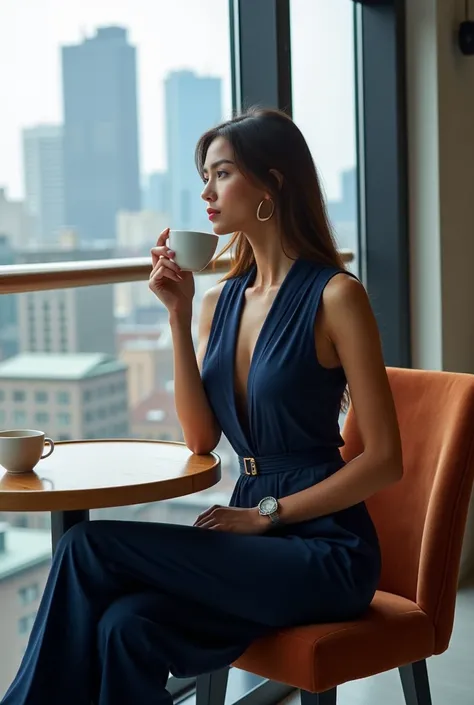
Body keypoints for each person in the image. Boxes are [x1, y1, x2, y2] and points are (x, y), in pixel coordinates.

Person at [1, 107, 402, 705]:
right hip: (250, 538)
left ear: (273, 182)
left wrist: (267, 513)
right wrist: (178, 315)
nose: (205, 192)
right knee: (123, 629)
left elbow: (385, 461)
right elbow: (199, 440)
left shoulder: (336, 297)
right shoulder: (218, 301)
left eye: (221, 174)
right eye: (204, 176)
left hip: (324, 551)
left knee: (86, 545)